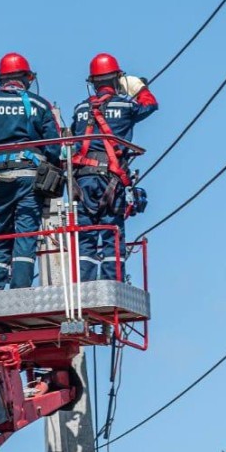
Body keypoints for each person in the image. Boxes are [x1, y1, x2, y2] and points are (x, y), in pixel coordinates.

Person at [0, 53, 61, 289]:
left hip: (0, 177)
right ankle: (21, 287)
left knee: (1, 233)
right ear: (26, 78)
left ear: (1, 79)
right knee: (26, 233)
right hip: (30, 178)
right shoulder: (40, 104)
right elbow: (54, 146)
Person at [70, 52, 158, 281]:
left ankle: (86, 283)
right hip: (111, 178)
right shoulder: (126, 105)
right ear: (117, 79)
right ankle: (113, 280)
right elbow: (150, 105)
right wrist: (138, 88)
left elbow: (74, 133)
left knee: (86, 234)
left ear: (93, 83)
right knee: (112, 231)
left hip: (82, 179)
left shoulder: (80, 109)